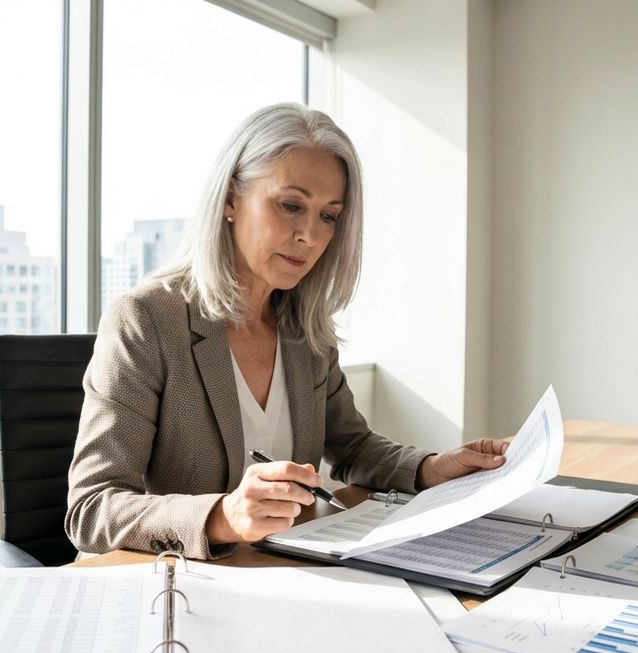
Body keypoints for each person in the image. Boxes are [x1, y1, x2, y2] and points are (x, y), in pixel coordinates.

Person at [66, 102, 509, 560]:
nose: (311, 236)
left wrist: (431, 469)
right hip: (171, 594)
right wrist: (223, 516)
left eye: (328, 215)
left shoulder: (305, 331)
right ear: (231, 200)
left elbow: (352, 446)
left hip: (278, 572)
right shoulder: (146, 320)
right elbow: (91, 509)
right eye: (291, 205)